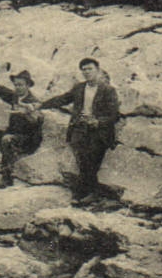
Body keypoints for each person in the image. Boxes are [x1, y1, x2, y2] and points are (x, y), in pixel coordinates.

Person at [39, 58, 120, 202]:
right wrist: (40, 105)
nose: (86, 72)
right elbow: (63, 99)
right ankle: (87, 193)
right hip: (80, 128)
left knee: (92, 160)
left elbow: (114, 115)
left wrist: (97, 121)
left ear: (98, 70)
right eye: (84, 69)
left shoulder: (108, 90)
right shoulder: (79, 88)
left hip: (99, 131)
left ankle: (87, 193)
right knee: (82, 161)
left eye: (90, 69)